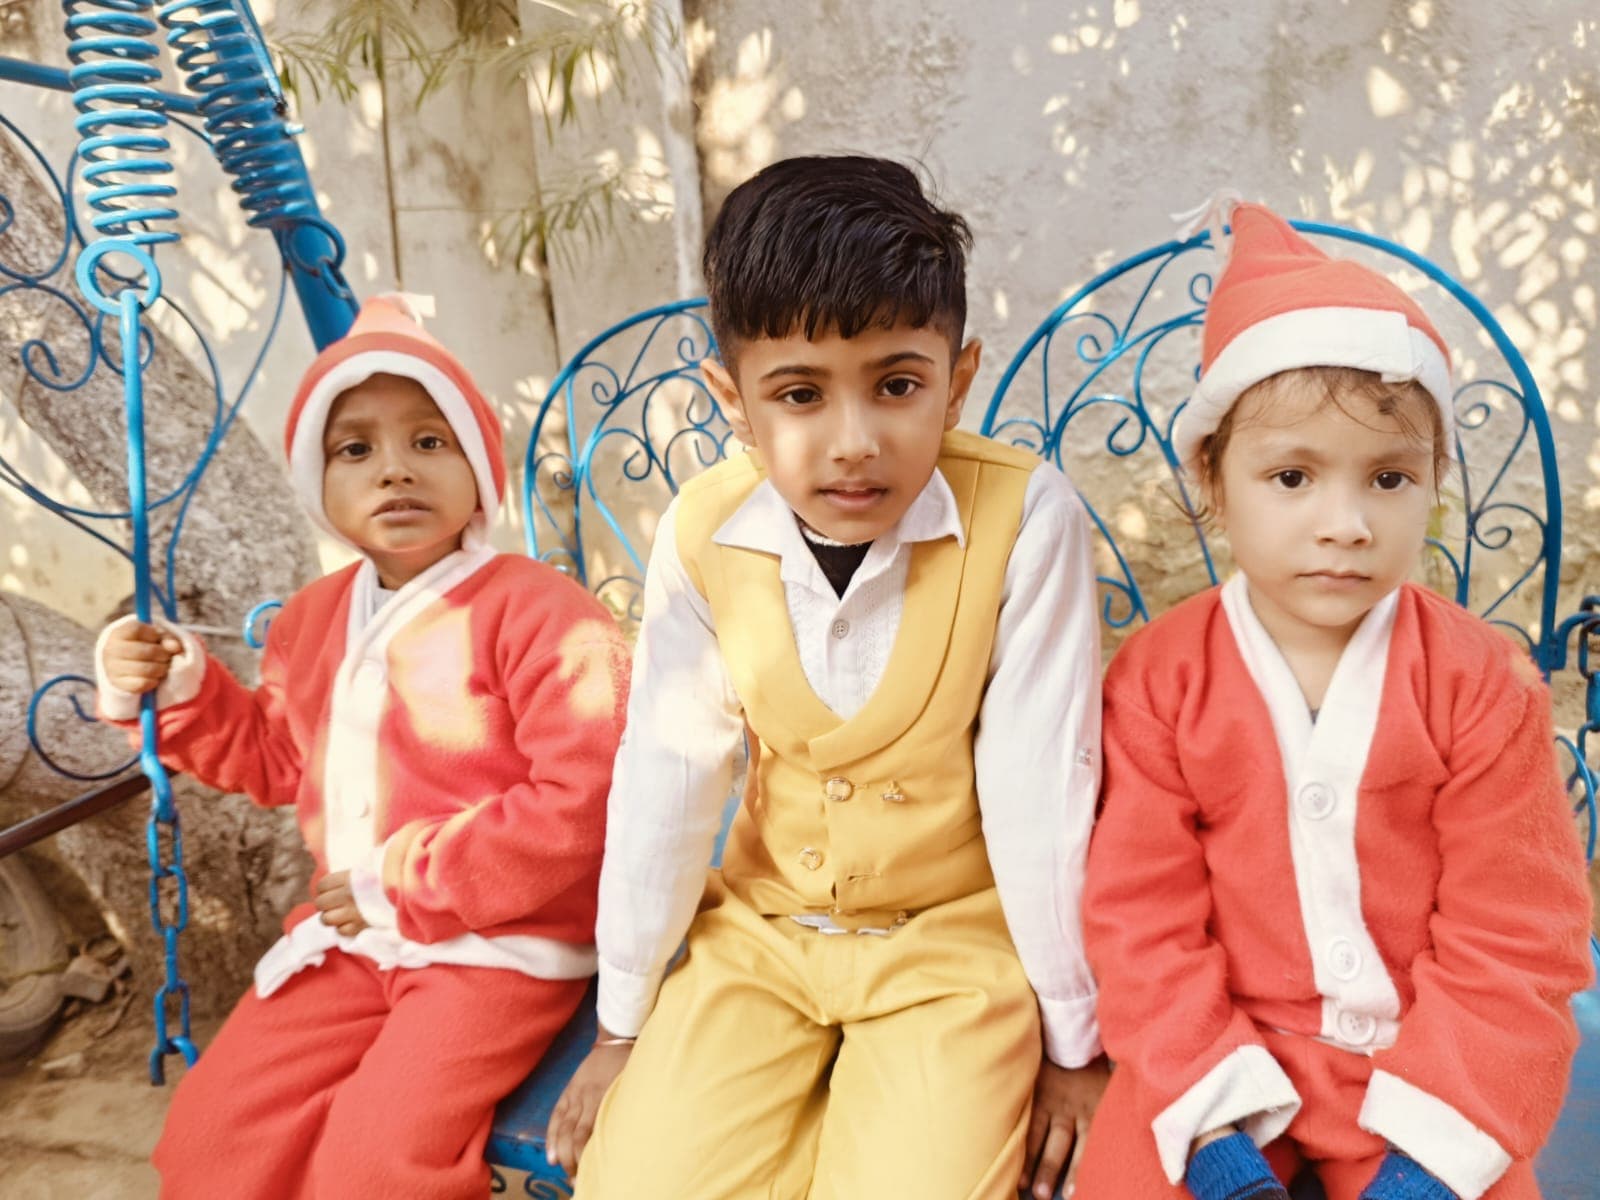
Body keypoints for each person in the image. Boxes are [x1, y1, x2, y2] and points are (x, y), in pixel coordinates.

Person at [545, 155, 1109, 1199]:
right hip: (760, 938)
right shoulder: (706, 529)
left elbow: (1042, 789)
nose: (855, 444)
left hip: (951, 950)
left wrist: (1075, 1044)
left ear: (958, 378)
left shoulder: (1027, 519)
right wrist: (622, 1026)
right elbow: (669, 779)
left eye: (897, 384)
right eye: (799, 393)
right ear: (734, 399)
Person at [1073, 200, 1594, 1200]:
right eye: (1292, 476)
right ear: (1214, 486)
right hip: (1221, 1054)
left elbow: (1517, 932)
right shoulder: (1159, 681)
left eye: (1389, 478)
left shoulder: (1482, 685)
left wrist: (1429, 1166)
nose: (1344, 524)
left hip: (1427, 1057)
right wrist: (1217, 1140)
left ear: (1435, 483)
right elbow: (1138, 921)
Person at [95, 295, 632, 1199]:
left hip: (494, 948)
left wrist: (408, 874)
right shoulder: (313, 619)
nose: (395, 471)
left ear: (478, 467)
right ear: (321, 486)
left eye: (430, 442)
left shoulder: (541, 613)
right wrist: (179, 691)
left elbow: (585, 798)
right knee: (211, 1140)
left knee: (376, 1164)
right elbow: (278, 759)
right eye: (357, 449)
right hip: (348, 941)